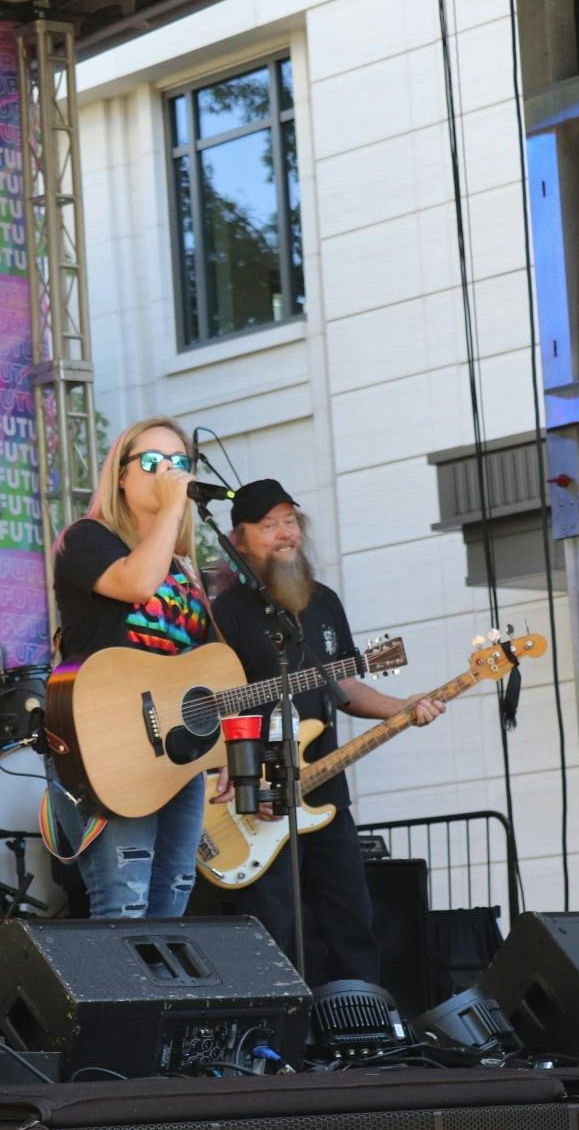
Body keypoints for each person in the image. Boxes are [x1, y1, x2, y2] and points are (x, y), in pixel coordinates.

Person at [209, 480, 443, 986]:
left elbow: (343, 683)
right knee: (274, 925)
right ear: (240, 541)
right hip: (259, 795)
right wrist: (248, 780)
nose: (284, 534)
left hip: (323, 785)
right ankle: (281, 1036)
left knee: (351, 917)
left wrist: (400, 708)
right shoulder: (223, 613)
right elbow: (213, 706)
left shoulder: (323, 601)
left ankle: (361, 1028)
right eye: (267, 526)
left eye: (290, 521)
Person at [44, 416, 219, 919]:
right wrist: (170, 509)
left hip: (175, 750)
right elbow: (137, 584)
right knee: (125, 900)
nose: (168, 472)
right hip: (108, 744)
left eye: (179, 464)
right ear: (120, 474)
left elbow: (198, 667)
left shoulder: (186, 568)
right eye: (152, 462)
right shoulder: (87, 538)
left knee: (173, 897)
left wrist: (223, 750)